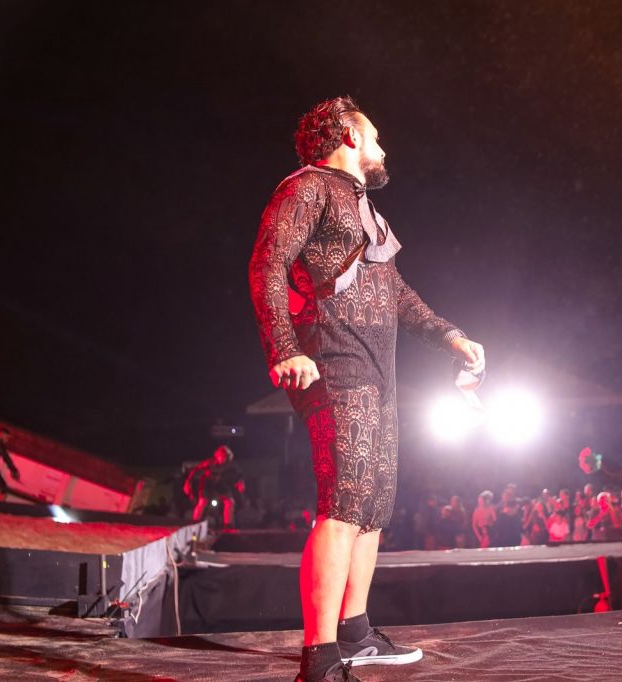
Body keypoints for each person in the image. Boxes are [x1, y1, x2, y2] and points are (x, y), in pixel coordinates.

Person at [249, 96, 485, 682]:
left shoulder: (363, 209)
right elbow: (267, 264)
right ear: (349, 136)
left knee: (373, 504)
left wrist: (450, 336)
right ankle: (320, 658)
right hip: (332, 361)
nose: (383, 148)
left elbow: (396, 293)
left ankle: (354, 632)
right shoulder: (307, 187)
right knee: (344, 501)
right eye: (375, 136)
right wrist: (285, 349)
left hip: (379, 371)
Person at [182, 445, 243, 526]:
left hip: (217, 483)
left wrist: (239, 482)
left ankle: (228, 524)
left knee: (230, 502)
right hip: (206, 483)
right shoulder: (209, 463)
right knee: (203, 501)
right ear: (218, 456)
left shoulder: (228, 464)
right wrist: (188, 482)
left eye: (226, 458)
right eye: (223, 457)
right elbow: (195, 470)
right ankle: (195, 522)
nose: (224, 460)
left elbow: (237, 474)